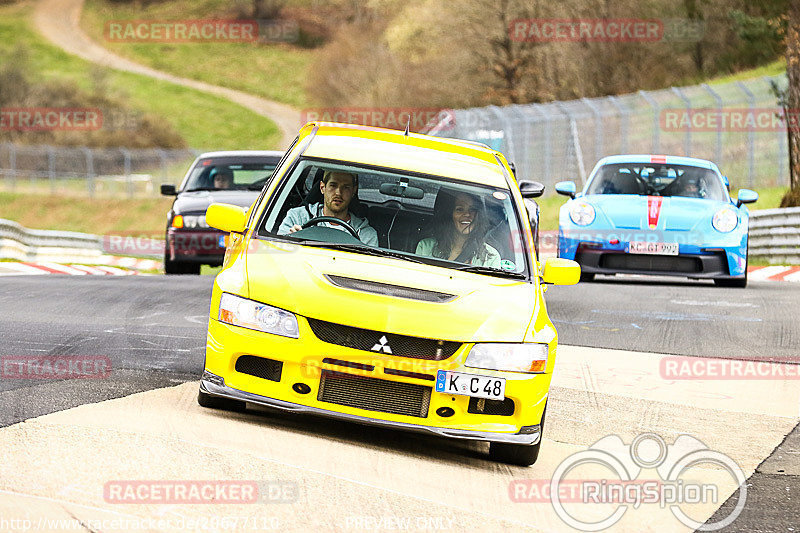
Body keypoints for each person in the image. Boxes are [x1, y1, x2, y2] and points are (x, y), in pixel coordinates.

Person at [278, 170, 379, 246]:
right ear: (322, 188)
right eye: (333, 185)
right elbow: (276, 250)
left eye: (346, 187)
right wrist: (290, 240)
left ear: (354, 191)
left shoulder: (366, 235)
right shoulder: (297, 217)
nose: (338, 193)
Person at [416, 189, 501, 268]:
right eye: (460, 209)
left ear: (479, 215)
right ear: (450, 215)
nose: (467, 214)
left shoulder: (491, 257)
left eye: (472, 210)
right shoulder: (425, 248)